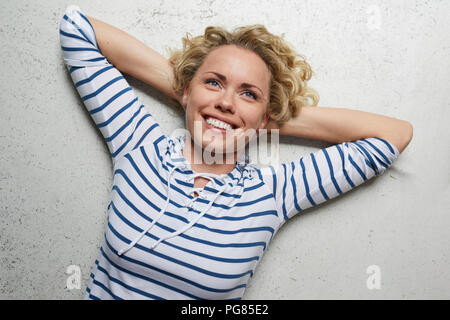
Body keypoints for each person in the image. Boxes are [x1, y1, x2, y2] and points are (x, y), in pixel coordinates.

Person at [59, 5, 413, 300]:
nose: (226, 101)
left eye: (249, 93)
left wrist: (265, 119)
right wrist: (194, 95)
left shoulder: (271, 193)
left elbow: (393, 135)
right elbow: (76, 28)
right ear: (185, 89)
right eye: (214, 81)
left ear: (266, 117)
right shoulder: (138, 145)